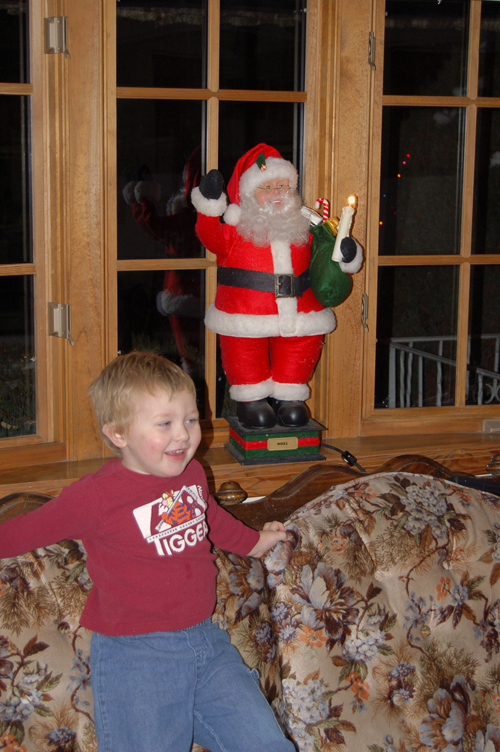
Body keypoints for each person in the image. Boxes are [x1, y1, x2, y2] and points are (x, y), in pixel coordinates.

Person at [0, 351, 295, 752]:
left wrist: (256, 541)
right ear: (118, 434)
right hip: (136, 658)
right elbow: (27, 530)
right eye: (165, 424)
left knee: (268, 745)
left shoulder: (192, 474)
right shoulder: (97, 496)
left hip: (205, 644)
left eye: (191, 420)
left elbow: (211, 521)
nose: (184, 435)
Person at [191, 143, 362, 430]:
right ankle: (251, 399)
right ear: (248, 194)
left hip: (302, 313)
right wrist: (209, 204)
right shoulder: (235, 227)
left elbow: (326, 254)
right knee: (245, 354)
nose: (277, 193)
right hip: (245, 314)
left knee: (297, 357)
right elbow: (210, 235)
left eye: (282, 185)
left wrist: (346, 253)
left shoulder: (306, 225)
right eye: (266, 187)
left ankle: (289, 398)